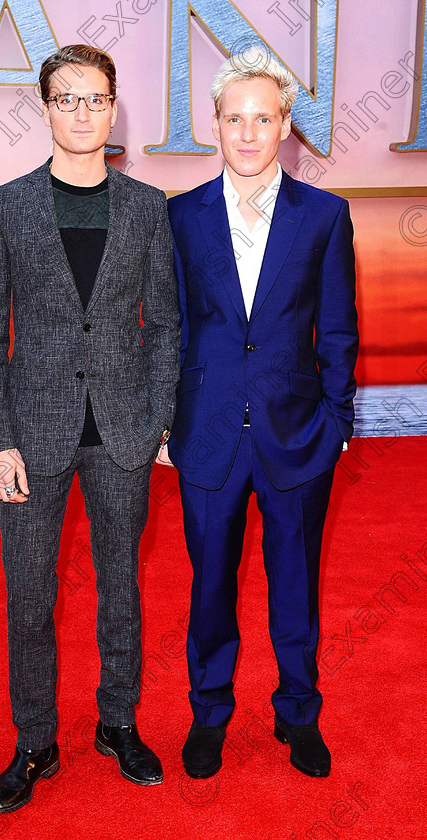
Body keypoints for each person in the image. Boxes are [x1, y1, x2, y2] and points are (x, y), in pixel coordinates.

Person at [0, 44, 180, 813]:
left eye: (95, 99)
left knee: (120, 589)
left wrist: (158, 420)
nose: (82, 112)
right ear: (47, 107)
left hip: (123, 432)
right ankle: (35, 741)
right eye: (67, 99)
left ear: (114, 107)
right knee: (29, 596)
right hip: (32, 433)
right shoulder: (7, 206)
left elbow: (165, 325)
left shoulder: (149, 206)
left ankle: (117, 723)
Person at [160, 47, 358, 779]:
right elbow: (169, 329)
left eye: (263, 118)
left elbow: (337, 328)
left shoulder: (325, 217)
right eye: (234, 118)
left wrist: (336, 423)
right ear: (214, 124)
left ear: (285, 129)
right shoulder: (179, 218)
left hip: (298, 435)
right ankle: (209, 712)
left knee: (295, 584)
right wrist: (162, 424)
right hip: (207, 437)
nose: (248, 132)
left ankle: (297, 713)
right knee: (208, 584)